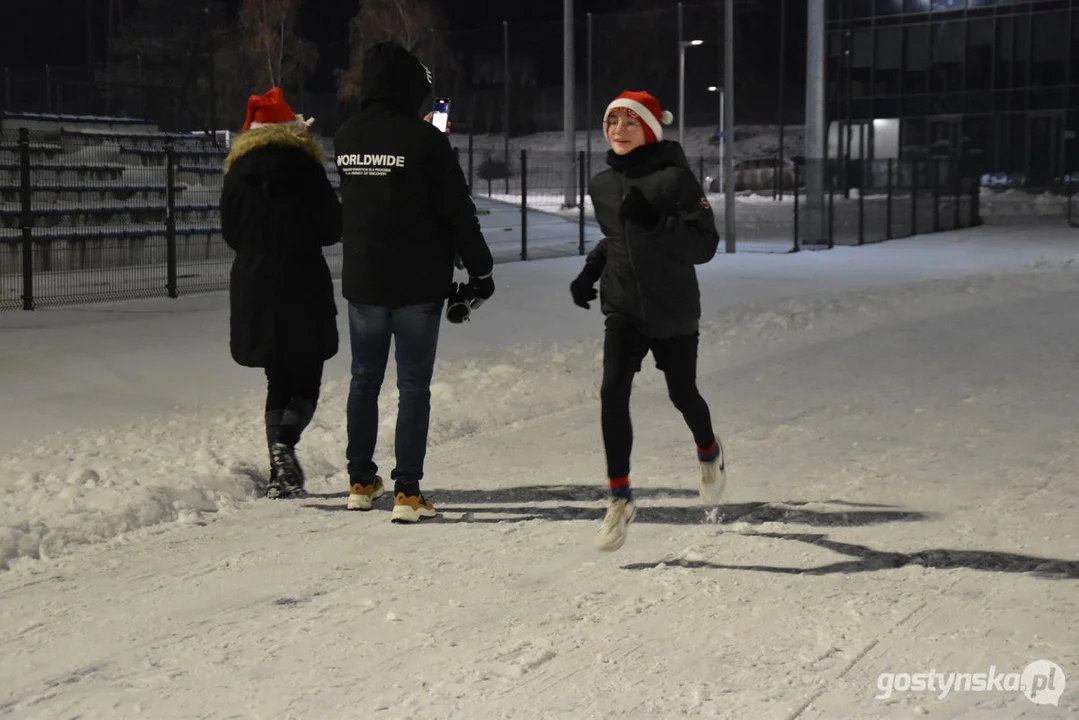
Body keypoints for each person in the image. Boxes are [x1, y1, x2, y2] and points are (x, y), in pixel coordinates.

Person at [334, 41, 494, 523]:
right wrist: (480, 269)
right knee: (413, 385)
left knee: (364, 380)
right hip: (417, 284)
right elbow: (455, 211)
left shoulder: (346, 135)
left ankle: (361, 481)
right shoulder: (425, 141)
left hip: (364, 280)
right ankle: (407, 491)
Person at [570, 90, 726, 551]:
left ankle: (709, 451)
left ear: (650, 129)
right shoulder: (601, 183)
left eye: (629, 122)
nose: (618, 130)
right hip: (623, 309)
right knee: (612, 391)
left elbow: (704, 246)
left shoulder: (675, 179)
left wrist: (657, 222)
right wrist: (589, 272)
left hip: (673, 308)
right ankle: (620, 498)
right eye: (612, 120)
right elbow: (614, 239)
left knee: (683, 393)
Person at [220, 87, 343, 499]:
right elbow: (331, 229)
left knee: (277, 376)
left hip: (254, 281)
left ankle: (280, 471)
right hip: (302, 277)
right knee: (306, 375)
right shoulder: (307, 169)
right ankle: (285, 445)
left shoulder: (236, 172)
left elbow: (231, 234)